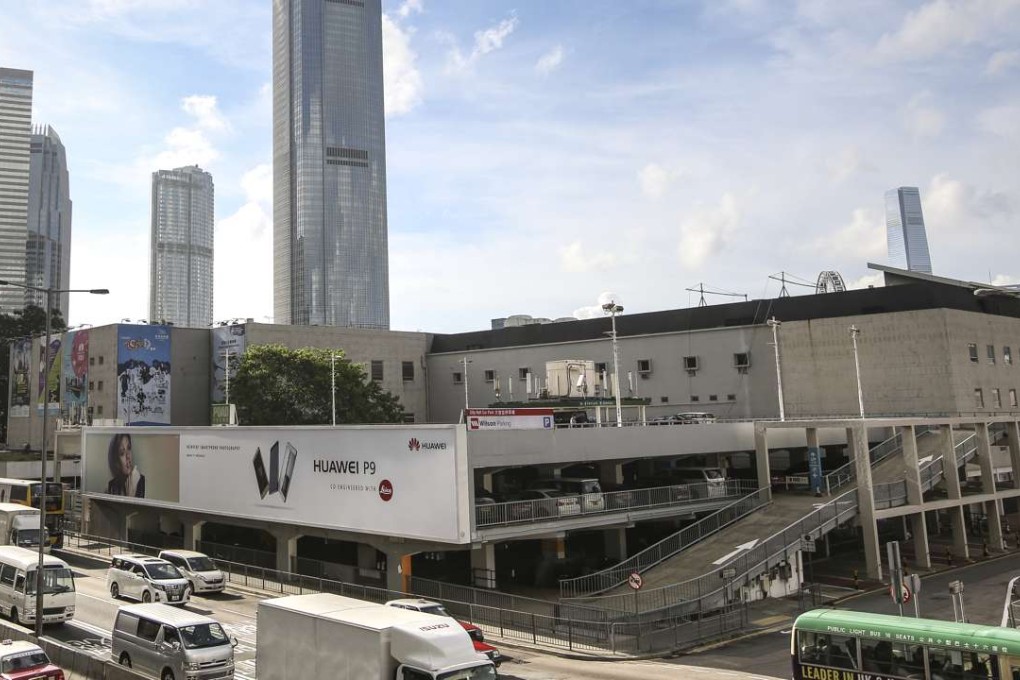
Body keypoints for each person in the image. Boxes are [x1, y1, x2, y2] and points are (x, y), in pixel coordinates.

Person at [106, 433, 145, 497]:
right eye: (122, 453)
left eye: (129, 448)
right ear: (116, 461)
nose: (128, 456)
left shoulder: (142, 481)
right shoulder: (112, 485)